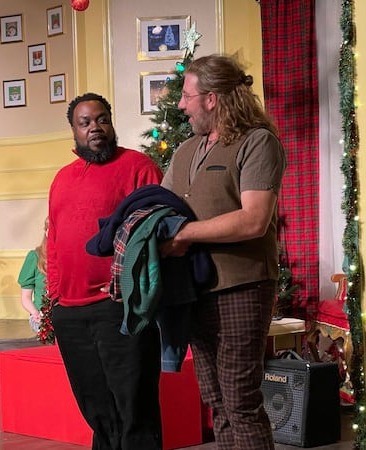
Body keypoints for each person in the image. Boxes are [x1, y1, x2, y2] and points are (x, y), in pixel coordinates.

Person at [160, 54, 286, 449]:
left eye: (187, 95)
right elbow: (160, 206)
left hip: (242, 286)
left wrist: (186, 235)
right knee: (216, 401)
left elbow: (253, 219)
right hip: (193, 290)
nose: (181, 104)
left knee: (240, 402)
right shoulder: (185, 151)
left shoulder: (257, 142)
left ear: (212, 98)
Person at [46, 92, 164, 449]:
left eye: (101, 120)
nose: (94, 128)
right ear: (73, 130)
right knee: (95, 406)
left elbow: (158, 231)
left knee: (134, 405)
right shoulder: (62, 178)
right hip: (70, 311)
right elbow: (52, 238)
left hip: (118, 306)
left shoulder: (138, 166)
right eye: (85, 123)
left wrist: (135, 294)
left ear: (111, 124)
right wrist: (55, 298)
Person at [17, 217, 48, 333]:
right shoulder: (35, 257)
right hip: (41, 314)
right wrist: (36, 313)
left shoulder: (69, 256)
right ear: (47, 232)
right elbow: (26, 297)